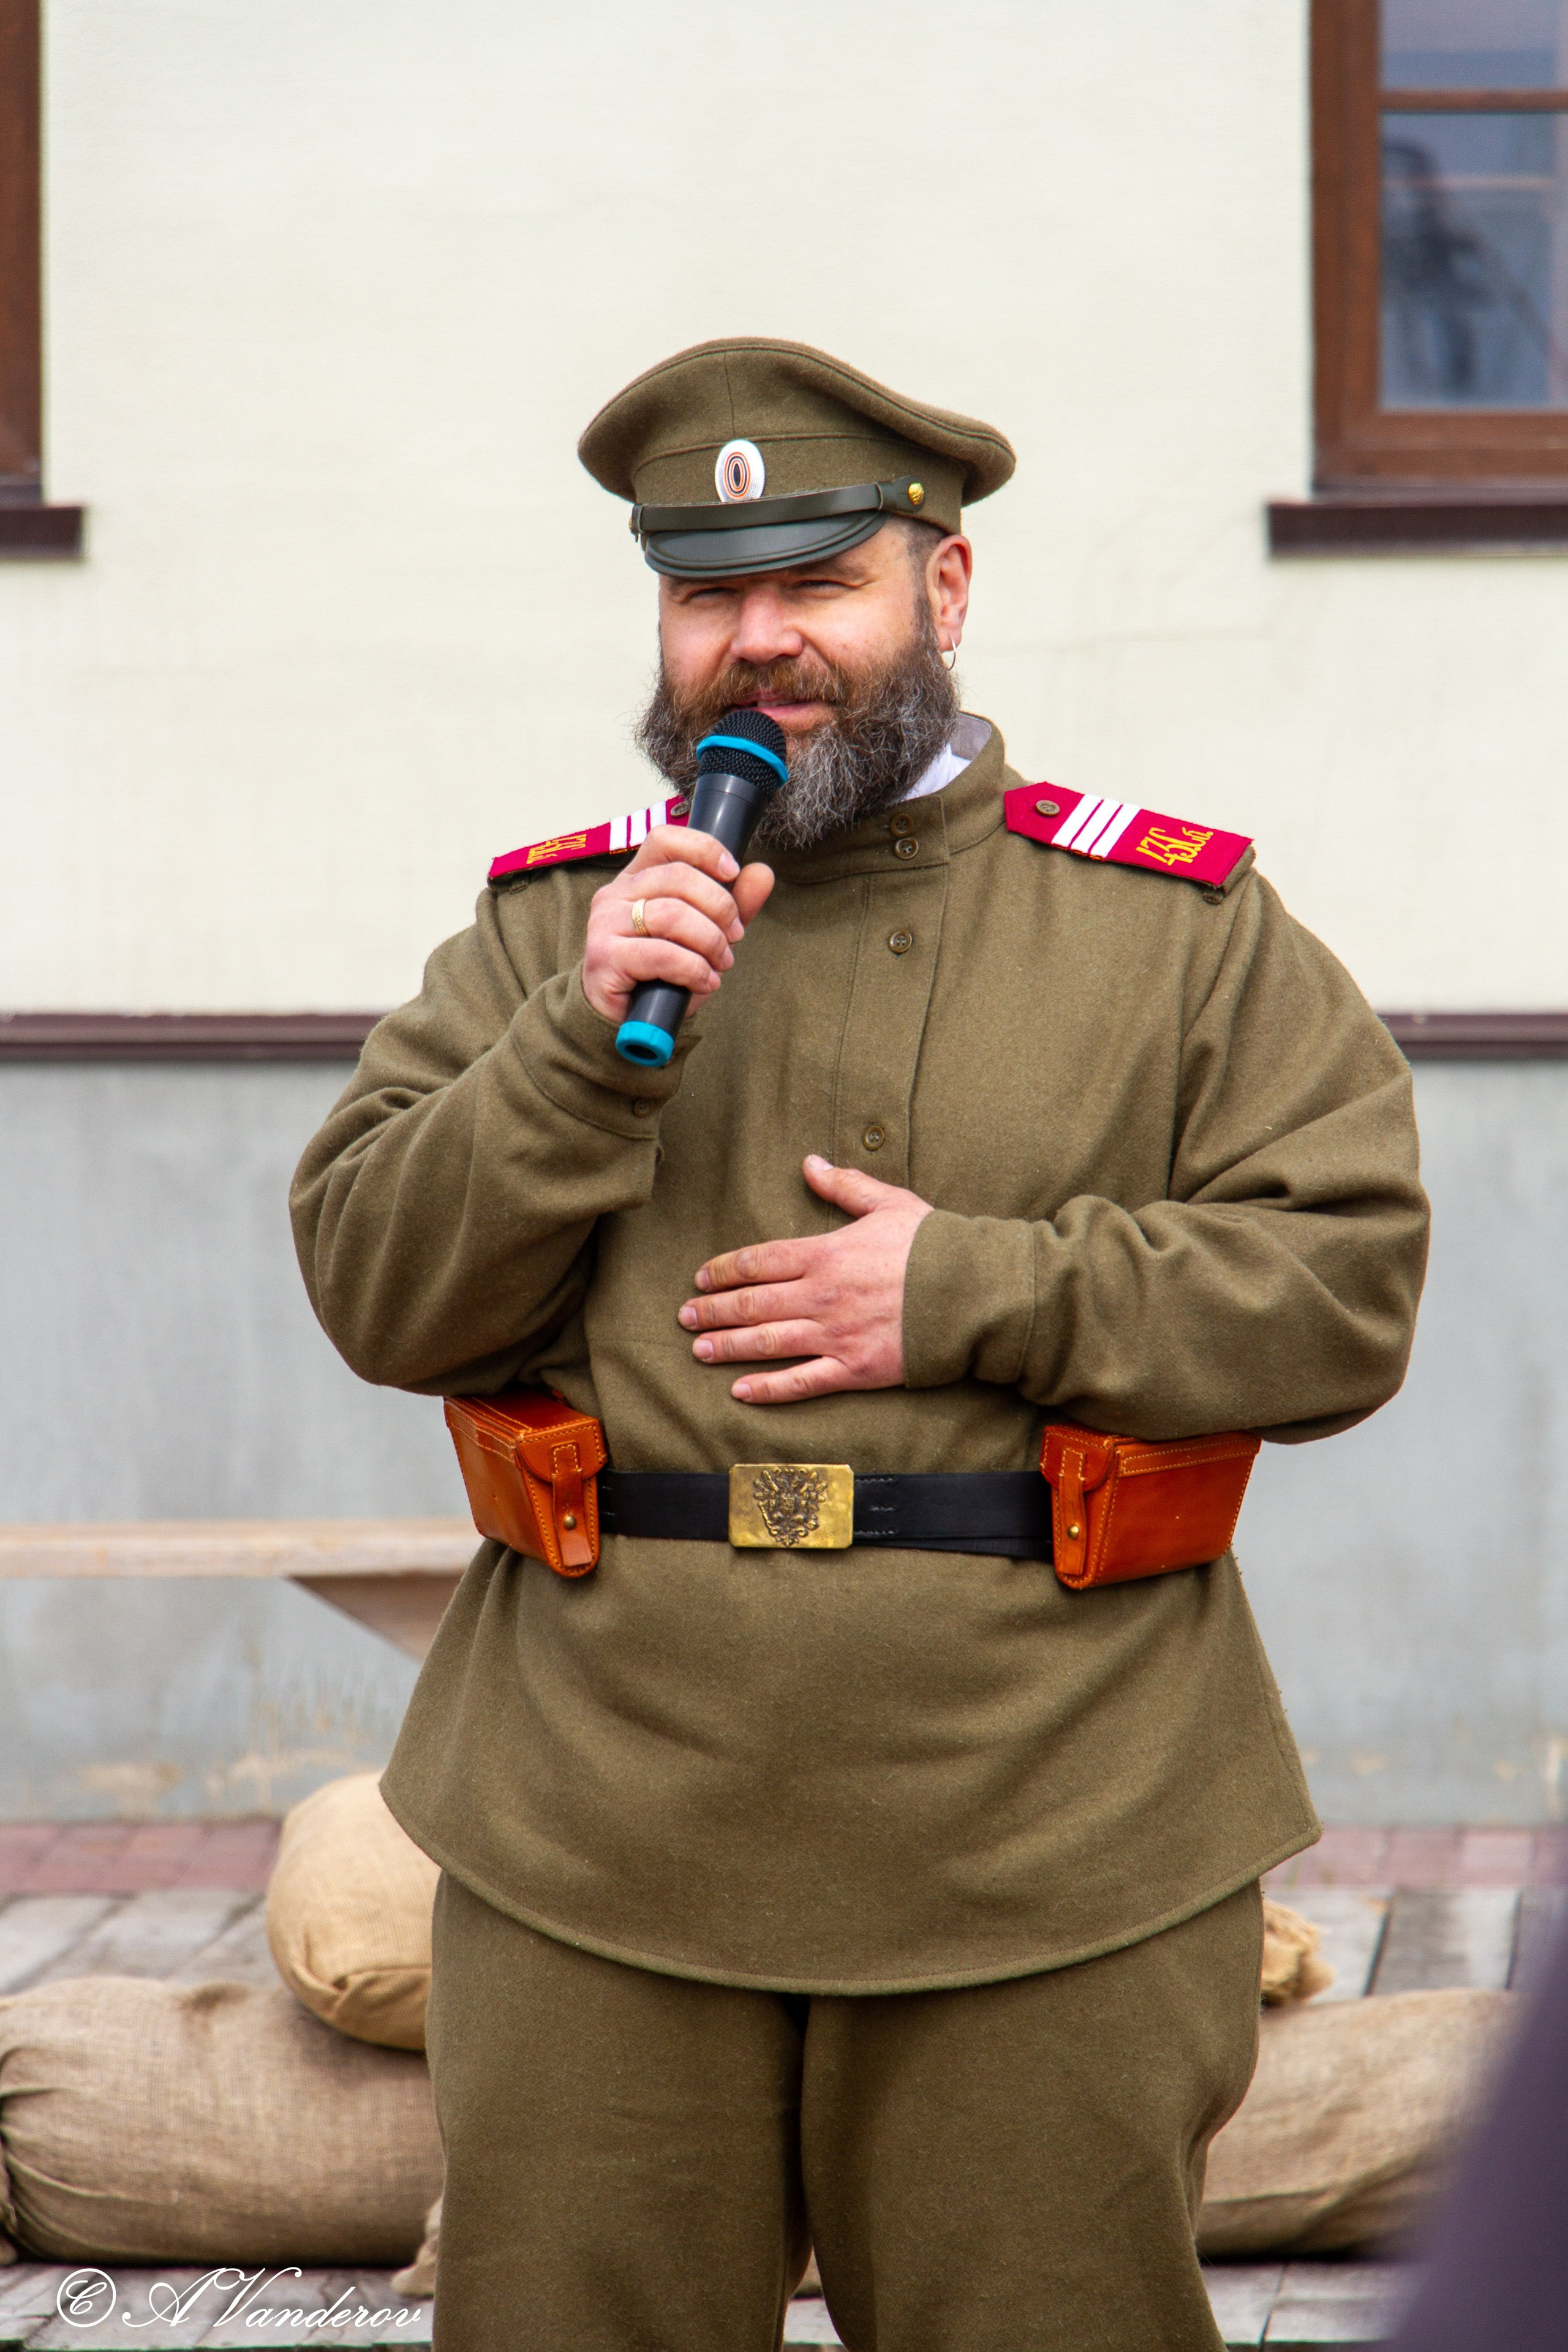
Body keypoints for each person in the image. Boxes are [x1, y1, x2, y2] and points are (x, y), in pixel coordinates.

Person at [291, 336, 1430, 2352]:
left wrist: (977, 1287)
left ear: (946, 591)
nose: (761, 645)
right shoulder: (551, 933)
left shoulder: (1175, 929)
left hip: (1056, 1824)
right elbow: (379, 1287)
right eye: (710, 594)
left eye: (818, 584)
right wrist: (576, 1048)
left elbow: (1343, 1289)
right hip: (599, 1826)